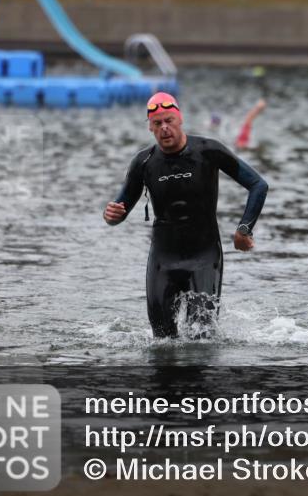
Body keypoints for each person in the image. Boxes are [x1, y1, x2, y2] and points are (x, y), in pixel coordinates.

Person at [104, 92, 268, 338]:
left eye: (169, 120)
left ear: (180, 120)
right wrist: (111, 215)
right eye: (158, 123)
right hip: (163, 260)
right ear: (150, 127)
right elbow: (118, 211)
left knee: (201, 339)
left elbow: (258, 185)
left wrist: (244, 229)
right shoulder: (143, 162)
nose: (164, 128)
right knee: (162, 341)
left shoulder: (208, 150)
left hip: (204, 258)